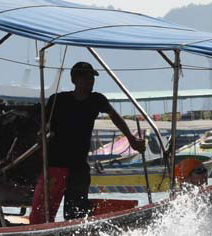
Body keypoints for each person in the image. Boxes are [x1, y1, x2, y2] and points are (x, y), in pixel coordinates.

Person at [39, 61, 144, 220]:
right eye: (86, 78)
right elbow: (41, 125)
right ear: (75, 80)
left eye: (92, 78)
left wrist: (131, 138)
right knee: (45, 211)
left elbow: (115, 116)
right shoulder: (58, 100)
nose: (90, 81)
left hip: (79, 165)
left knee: (75, 212)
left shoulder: (96, 100)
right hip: (56, 164)